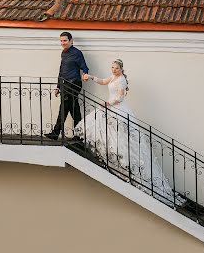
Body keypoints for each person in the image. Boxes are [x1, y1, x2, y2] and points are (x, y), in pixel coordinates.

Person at [77, 60, 183, 206]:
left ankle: (127, 164)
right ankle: (114, 155)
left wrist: (108, 103)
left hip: (118, 108)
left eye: (116, 68)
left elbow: (120, 97)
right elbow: (102, 81)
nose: (114, 70)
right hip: (110, 106)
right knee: (108, 132)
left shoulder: (121, 80)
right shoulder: (113, 77)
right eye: (112, 68)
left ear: (122, 69)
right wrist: (90, 77)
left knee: (123, 137)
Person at [45, 32, 89, 140]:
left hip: (74, 84)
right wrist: (58, 86)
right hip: (65, 84)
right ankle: (80, 134)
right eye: (61, 41)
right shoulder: (63, 53)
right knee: (74, 109)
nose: (62, 43)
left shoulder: (77, 53)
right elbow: (61, 71)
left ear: (71, 41)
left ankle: (57, 132)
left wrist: (85, 74)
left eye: (65, 40)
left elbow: (84, 67)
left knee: (65, 108)